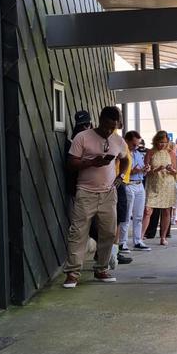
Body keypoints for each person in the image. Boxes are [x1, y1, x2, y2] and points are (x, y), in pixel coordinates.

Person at [62, 106, 129, 288]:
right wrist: (92, 162)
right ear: (100, 120)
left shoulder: (118, 140)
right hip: (85, 191)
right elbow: (71, 163)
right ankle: (72, 273)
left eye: (113, 127)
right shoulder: (82, 137)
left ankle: (101, 269)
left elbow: (125, 159)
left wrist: (121, 176)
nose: (109, 131)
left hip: (108, 192)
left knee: (108, 232)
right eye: (107, 126)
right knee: (78, 232)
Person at [143, 131, 177, 246]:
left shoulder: (171, 153)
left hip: (167, 184)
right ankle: (140, 236)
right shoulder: (150, 152)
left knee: (166, 211)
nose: (162, 145)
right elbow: (146, 171)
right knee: (147, 210)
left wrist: (171, 170)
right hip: (153, 184)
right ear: (155, 141)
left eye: (164, 142)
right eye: (160, 142)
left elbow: (175, 171)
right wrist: (155, 170)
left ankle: (163, 237)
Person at [118, 131, 151, 253]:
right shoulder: (123, 153)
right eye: (133, 144)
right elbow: (123, 171)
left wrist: (145, 169)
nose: (135, 147)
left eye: (137, 144)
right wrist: (134, 171)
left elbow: (141, 169)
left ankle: (138, 240)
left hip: (139, 184)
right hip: (129, 184)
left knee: (138, 215)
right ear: (126, 141)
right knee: (126, 215)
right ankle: (122, 242)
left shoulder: (137, 153)